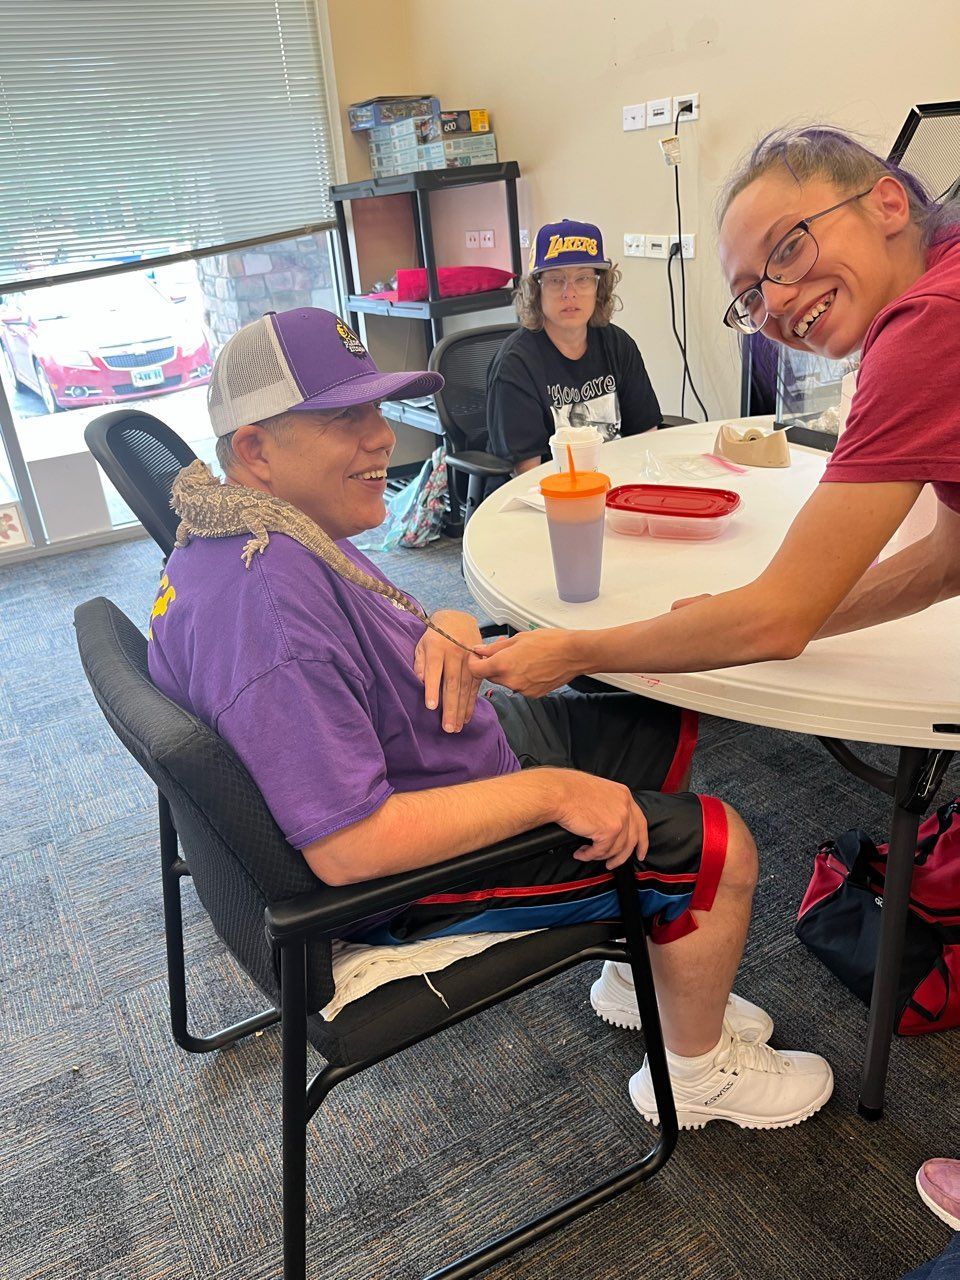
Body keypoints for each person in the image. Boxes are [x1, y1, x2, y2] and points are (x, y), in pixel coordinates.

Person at [147, 305, 833, 1132]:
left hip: (438, 751)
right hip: (403, 880)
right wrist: (550, 795)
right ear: (254, 449)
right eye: (342, 421)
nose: (380, 440)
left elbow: (357, 641)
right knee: (721, 846)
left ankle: (641, 961)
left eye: (374, 412)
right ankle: (693, 1076)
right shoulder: (268, 616)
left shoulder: (259, 532)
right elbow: (349, 846)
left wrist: (449, 624)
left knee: (652, 718)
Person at [470, 126, 960, 695]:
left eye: (789, 247)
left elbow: (778, 619)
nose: (774, 301)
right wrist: (752, 611)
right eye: (750, 295)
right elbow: (948, 560)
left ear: (889, 204)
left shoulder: (930, 324)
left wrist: (576, 652)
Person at [486, 218, 662, 473]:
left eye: (583, 278)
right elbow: (527, 475)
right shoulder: (515, 364)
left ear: (599, 287)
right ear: (537, 290)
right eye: (556, 280)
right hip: (546, 496)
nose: (570, 293)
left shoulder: (619, 345)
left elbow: (646, 438)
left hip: (614, 486)